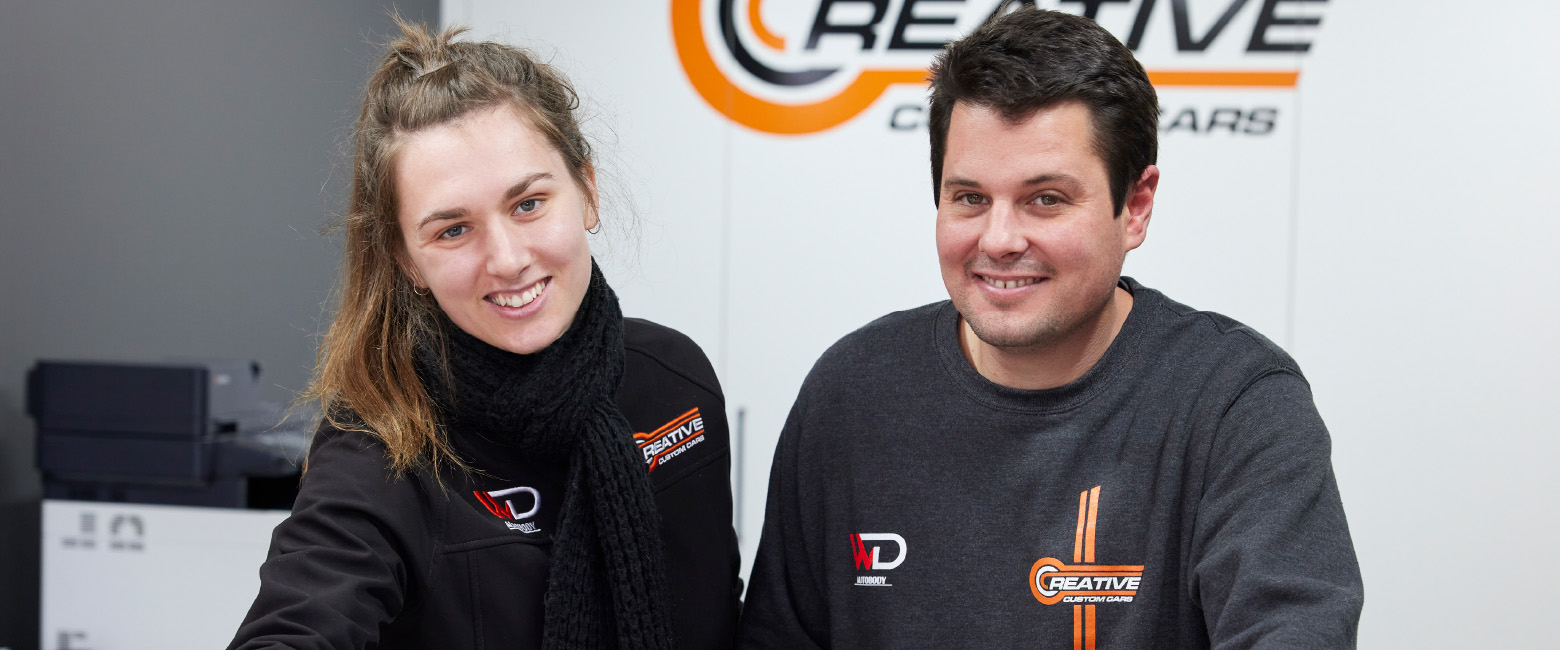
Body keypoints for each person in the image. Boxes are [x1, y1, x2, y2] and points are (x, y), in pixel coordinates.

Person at [737, 6, 1362, 649]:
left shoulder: (1235, 403)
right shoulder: (852, 393)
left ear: (1135, 207)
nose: (999, 240)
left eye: (1046, 200)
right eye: (970, 198)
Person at [229, 18, 740, 650]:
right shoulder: (382, 443)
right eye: (453, 230)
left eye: (528, 204)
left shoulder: (675, 380)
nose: (506, 259)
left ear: (587, 190)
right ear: (407, 260)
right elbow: (298, 622)